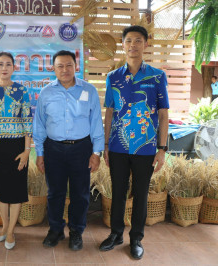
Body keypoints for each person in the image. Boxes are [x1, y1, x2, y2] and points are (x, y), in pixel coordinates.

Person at [99, 25, 169, 260]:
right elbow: (109, 112)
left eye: (138, 40)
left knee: (140, 193)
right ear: (123, 44)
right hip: (118, 147)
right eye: (128, 40)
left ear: (145, 44)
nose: (133, 45)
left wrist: (162, 149)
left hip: (146, 148)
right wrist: (106, 146)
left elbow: (162, 115)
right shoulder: (113, 77)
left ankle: (136, 238)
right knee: (118, 192)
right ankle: (116, 234)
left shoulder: (157, 76)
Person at [33, 50, 104, 251]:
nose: (65, 70)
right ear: (53, 69)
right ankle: (55, 229)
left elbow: (96, 123)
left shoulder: (88, 91)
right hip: (53, 149)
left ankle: (76, 232)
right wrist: (40, 154)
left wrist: (96, 153)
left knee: (80, 194)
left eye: (68, 65)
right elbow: (39, 125)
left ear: (76, 67)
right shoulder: (46, 92)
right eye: (60, 66)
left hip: (81, 149)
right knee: (55, 192)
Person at [0, 51, 33, 250]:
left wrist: (27, 150)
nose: (4, 68)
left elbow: (28, 121)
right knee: (0, 190)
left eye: (8, 64)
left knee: (16, 189)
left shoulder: (22, 90)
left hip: (18, 145)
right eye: (0, 64)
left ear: (14, 68)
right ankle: (4, 226)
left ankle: (11, 231)